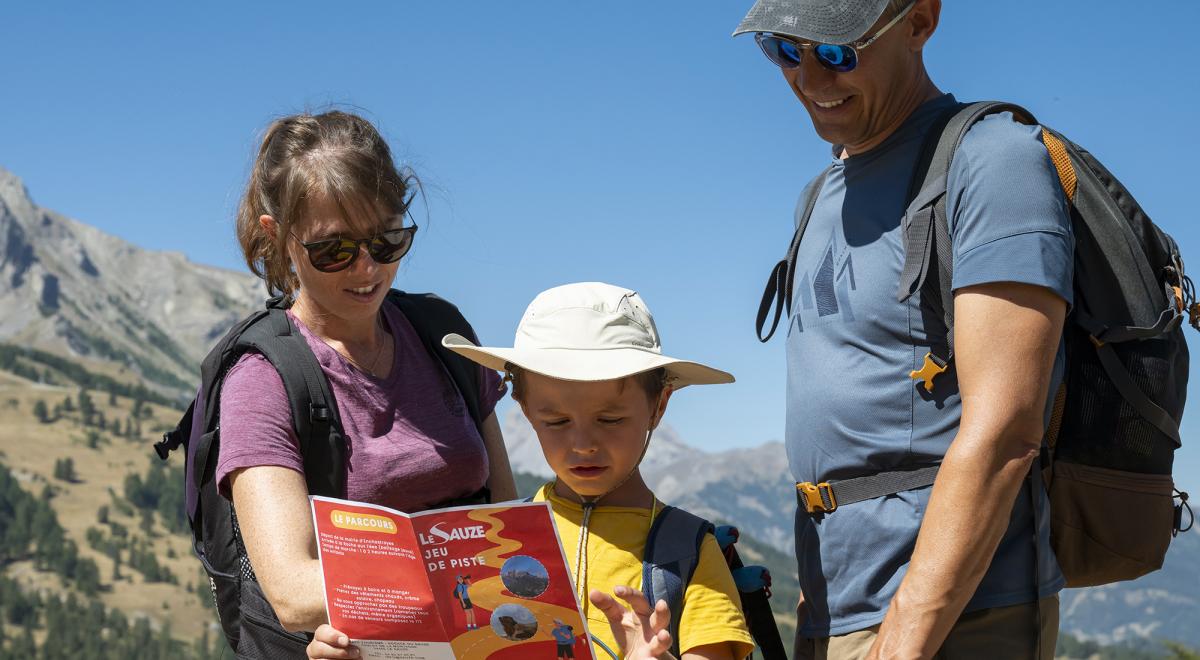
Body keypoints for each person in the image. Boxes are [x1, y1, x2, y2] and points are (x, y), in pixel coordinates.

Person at [732, 1, 1071, 658]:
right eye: (783, 49)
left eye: (837, 52)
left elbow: (1006, 430)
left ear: (919, 21)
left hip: (952, 616)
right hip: (835, 610)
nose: (809, 78)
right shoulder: (820, 192)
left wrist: (906, 634)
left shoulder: (993, 162)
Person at [307, 282, 754, 659]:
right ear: (523, 408)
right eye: (556, 422)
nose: (583, 443)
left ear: (658, 406)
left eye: (611, 419)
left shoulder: (688, 553)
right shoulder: (493, 537)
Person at [221, 110, 517, 645]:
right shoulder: (261, 381)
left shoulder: (444, 335)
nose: (367, 269)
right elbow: (291, 593)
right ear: (280, 235)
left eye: (386, 242)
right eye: (333, 249)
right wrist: (461, 579)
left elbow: (505, 518)